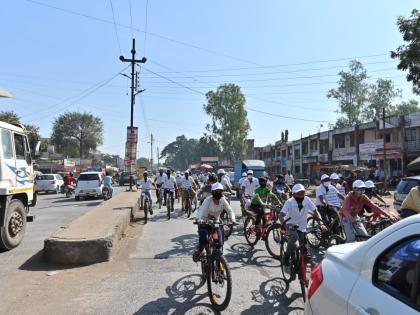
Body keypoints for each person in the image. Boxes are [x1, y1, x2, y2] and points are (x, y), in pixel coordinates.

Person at [192, 182, 236, 262]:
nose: (218, 193)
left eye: (220, 191)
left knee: (219, 243)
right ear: (212, 192)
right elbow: (201, 210)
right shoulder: (207, 200)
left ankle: (219, 264)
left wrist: (233, 219)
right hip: (204, 222)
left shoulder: (223, 200)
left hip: (216, 223)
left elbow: (230, 210)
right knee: (204, 239)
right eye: (216, 191)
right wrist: (198, 219)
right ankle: (199, 251)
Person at [280, 183, 317, 270]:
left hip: (302, 226)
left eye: (302, 193)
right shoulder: (289, 202)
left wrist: (321, 223)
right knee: (294, 237)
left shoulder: (307, 200)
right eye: (298, 193)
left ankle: (302, 275)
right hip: (290, 224)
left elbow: (315, 211)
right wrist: (286, 226)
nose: (301, 195)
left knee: (304, 247)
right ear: (293, 194)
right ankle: (286, 256)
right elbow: (281, 216)